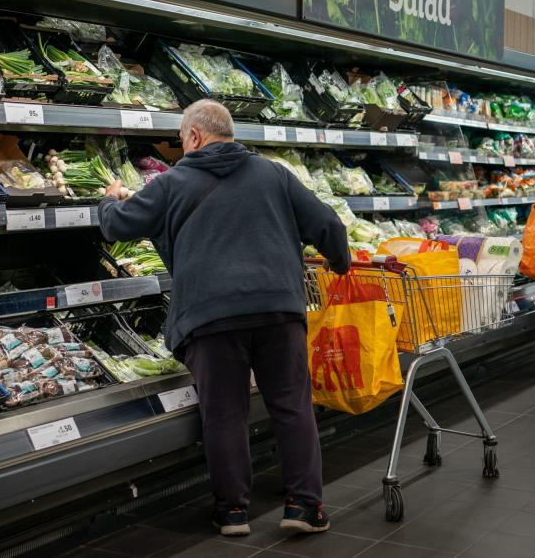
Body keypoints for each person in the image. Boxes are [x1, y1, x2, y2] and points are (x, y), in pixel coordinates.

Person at [98, 99, 351, 537]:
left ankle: (233, 512)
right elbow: (328, 224)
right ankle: (305, 507)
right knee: (292, 407)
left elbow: (118, 226)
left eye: (180, 139)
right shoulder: (275, 174)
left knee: (224, 414)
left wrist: (108, 201)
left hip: (210, 316)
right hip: (277, 310)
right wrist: (341, 263)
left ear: (194, 136)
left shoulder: (172, 181)